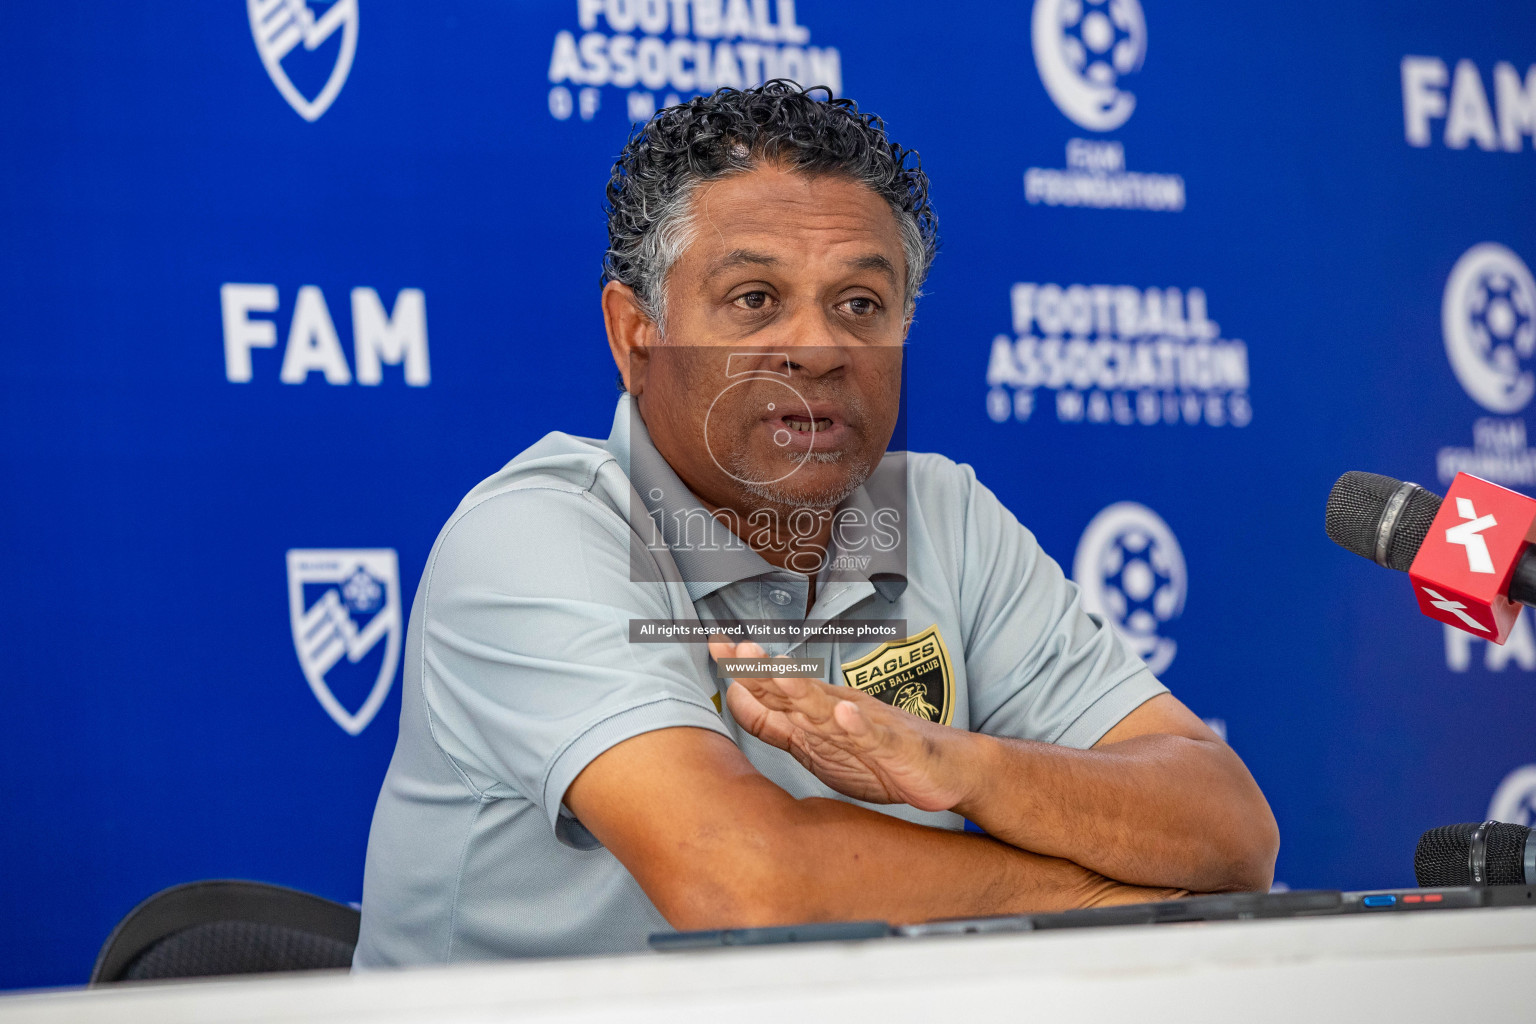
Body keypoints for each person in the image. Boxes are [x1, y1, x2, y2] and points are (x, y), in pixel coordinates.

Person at [353, 81, 1278, 967]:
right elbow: (741, 879)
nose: (820, 348)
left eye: (860, 306)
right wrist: (1081, 900)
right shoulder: (534, 534)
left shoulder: (937, 513)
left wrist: (963, 768)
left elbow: (1230, 829)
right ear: (636, 336)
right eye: (755, 300)